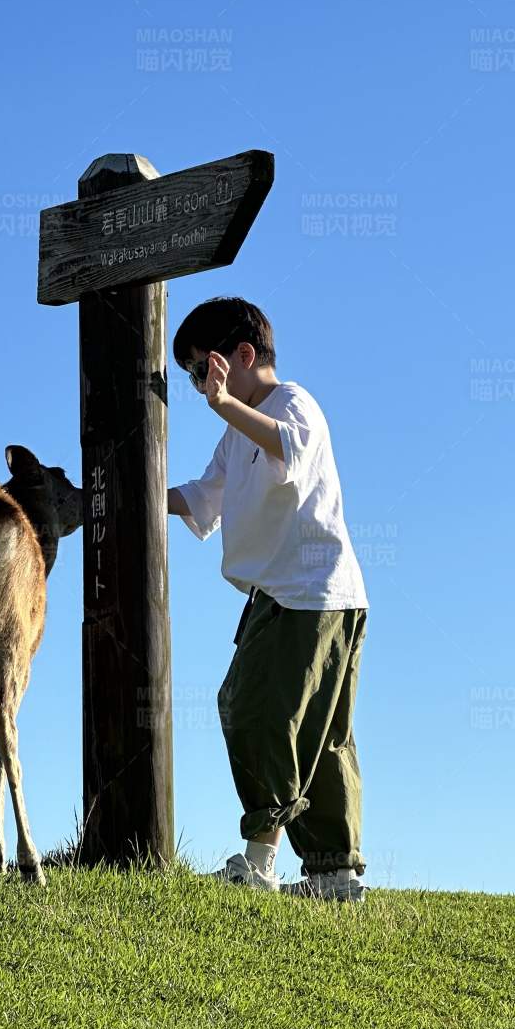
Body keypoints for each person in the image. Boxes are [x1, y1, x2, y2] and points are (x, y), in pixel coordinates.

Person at [167, 296, 369, 902]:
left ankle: (261, 861)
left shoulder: (292, 403)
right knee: (317, 732)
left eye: (202, 369)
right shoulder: (237, 433)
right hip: (293, 594)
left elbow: (290, 448)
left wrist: (225, 404)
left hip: (309, 593)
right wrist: (133, 494)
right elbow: (204, 496)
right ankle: (333, 875)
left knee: (253, 709)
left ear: (242, 356)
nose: (200, 385)